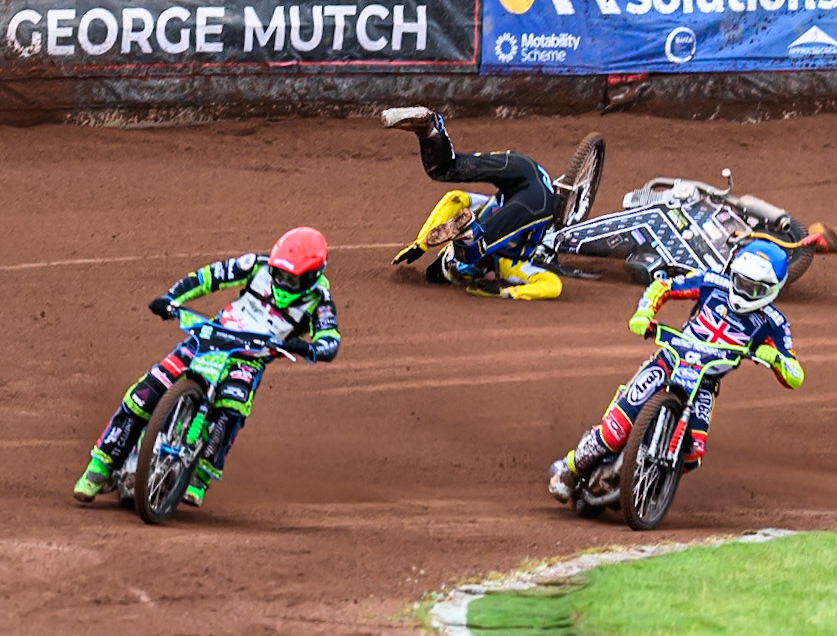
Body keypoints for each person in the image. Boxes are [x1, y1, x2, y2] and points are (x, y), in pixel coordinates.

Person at [72, 228, 341, 507]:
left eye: (291, 278)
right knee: (146, 390)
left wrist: (309, 348)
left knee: (232, 408)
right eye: (279, 274)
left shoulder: (320, 302)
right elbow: (209, 277)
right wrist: (171, 298)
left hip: (249, 357)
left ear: (312, 276)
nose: (282, 282)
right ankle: (99, 468)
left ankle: (200, 477)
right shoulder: (256, 266)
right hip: (211, 336)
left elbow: (329, 340)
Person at [547, 239, 804, 503]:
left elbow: (795, 374)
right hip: (669, 362)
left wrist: (776, 359)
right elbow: (664, 286)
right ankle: (570, 468)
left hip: (705, 382)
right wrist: (643, 313)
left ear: (772, 290)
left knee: (693, 452)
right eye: (741, 282)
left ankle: (655, 483)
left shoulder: (775, 323)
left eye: (754, 288)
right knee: (616, 429)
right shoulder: (711, 282)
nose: (744, 291)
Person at [382, 106, 563, 301]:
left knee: (446, 171)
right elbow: (554, 285)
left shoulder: (506, 262)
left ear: (447, 249)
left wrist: (423, 243)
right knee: (447, 172)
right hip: (530, 184)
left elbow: (456, 198)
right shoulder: (510, 267)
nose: (472, 273)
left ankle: (430, 132)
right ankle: (430, 130)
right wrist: (507, 292)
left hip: (530, 184)